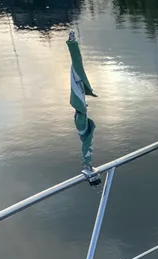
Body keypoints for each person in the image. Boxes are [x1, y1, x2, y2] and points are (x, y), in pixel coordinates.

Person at [67, 30, 99, 184]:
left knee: (86, 136)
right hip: (81, 115)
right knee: (86, 136)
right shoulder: (80, 117)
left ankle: (88, 164)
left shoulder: (80, 117)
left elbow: (77, 63)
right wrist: (73, 45)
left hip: (81, 114)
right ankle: (88, 165)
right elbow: (77, 63)